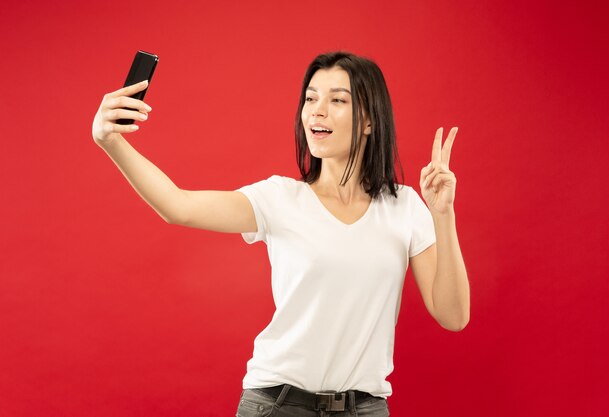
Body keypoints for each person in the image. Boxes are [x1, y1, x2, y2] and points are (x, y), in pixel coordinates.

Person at [92, 51, 470, 417]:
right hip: (277, 406)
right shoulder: (280, 198)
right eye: (310, 98)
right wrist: (111, 141)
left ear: (370, 121)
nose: (317, 110)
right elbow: (178, 206)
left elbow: (453, 316)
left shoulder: (404, 206)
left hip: (365, 408)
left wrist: (443, 215)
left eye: (337, 99)